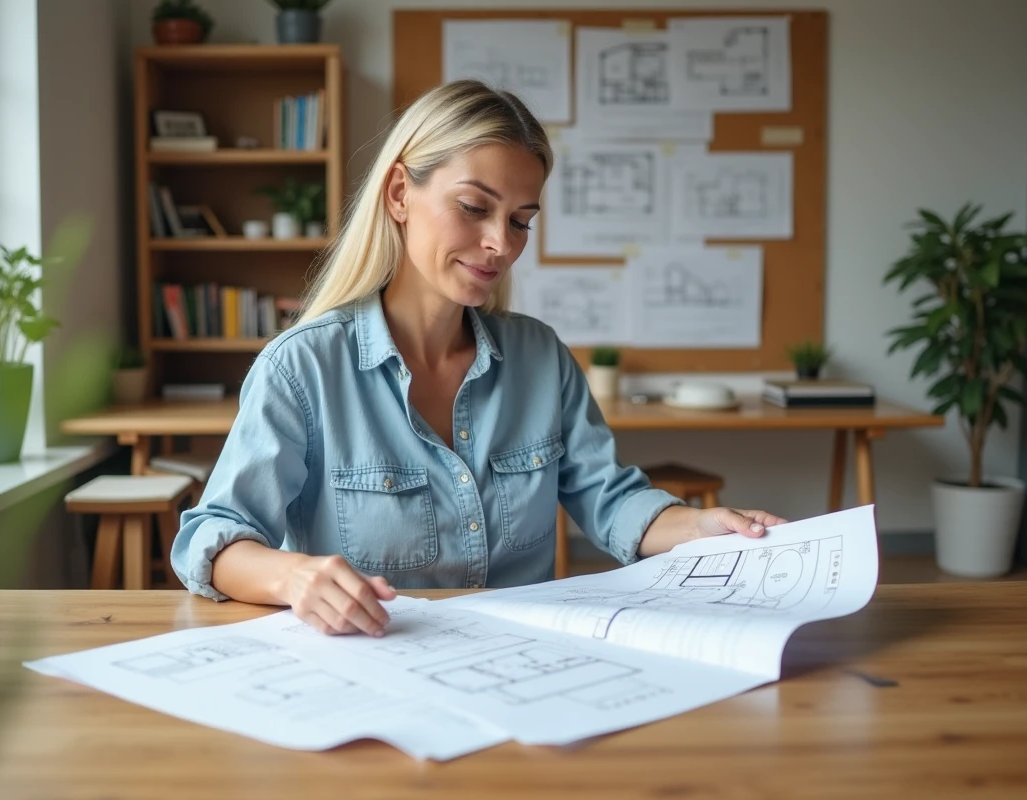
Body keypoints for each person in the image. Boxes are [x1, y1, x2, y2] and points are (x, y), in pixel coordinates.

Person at [171, 79, 786, 637]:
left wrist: (701, 527)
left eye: (521, 221)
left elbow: (611, 500)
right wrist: (293, 577)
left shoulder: (540, 358)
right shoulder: (302, 369)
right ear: (398, 194)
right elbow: (210, 539)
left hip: (518, 668)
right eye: (474, 207)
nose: (501, 243)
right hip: (373, 672)